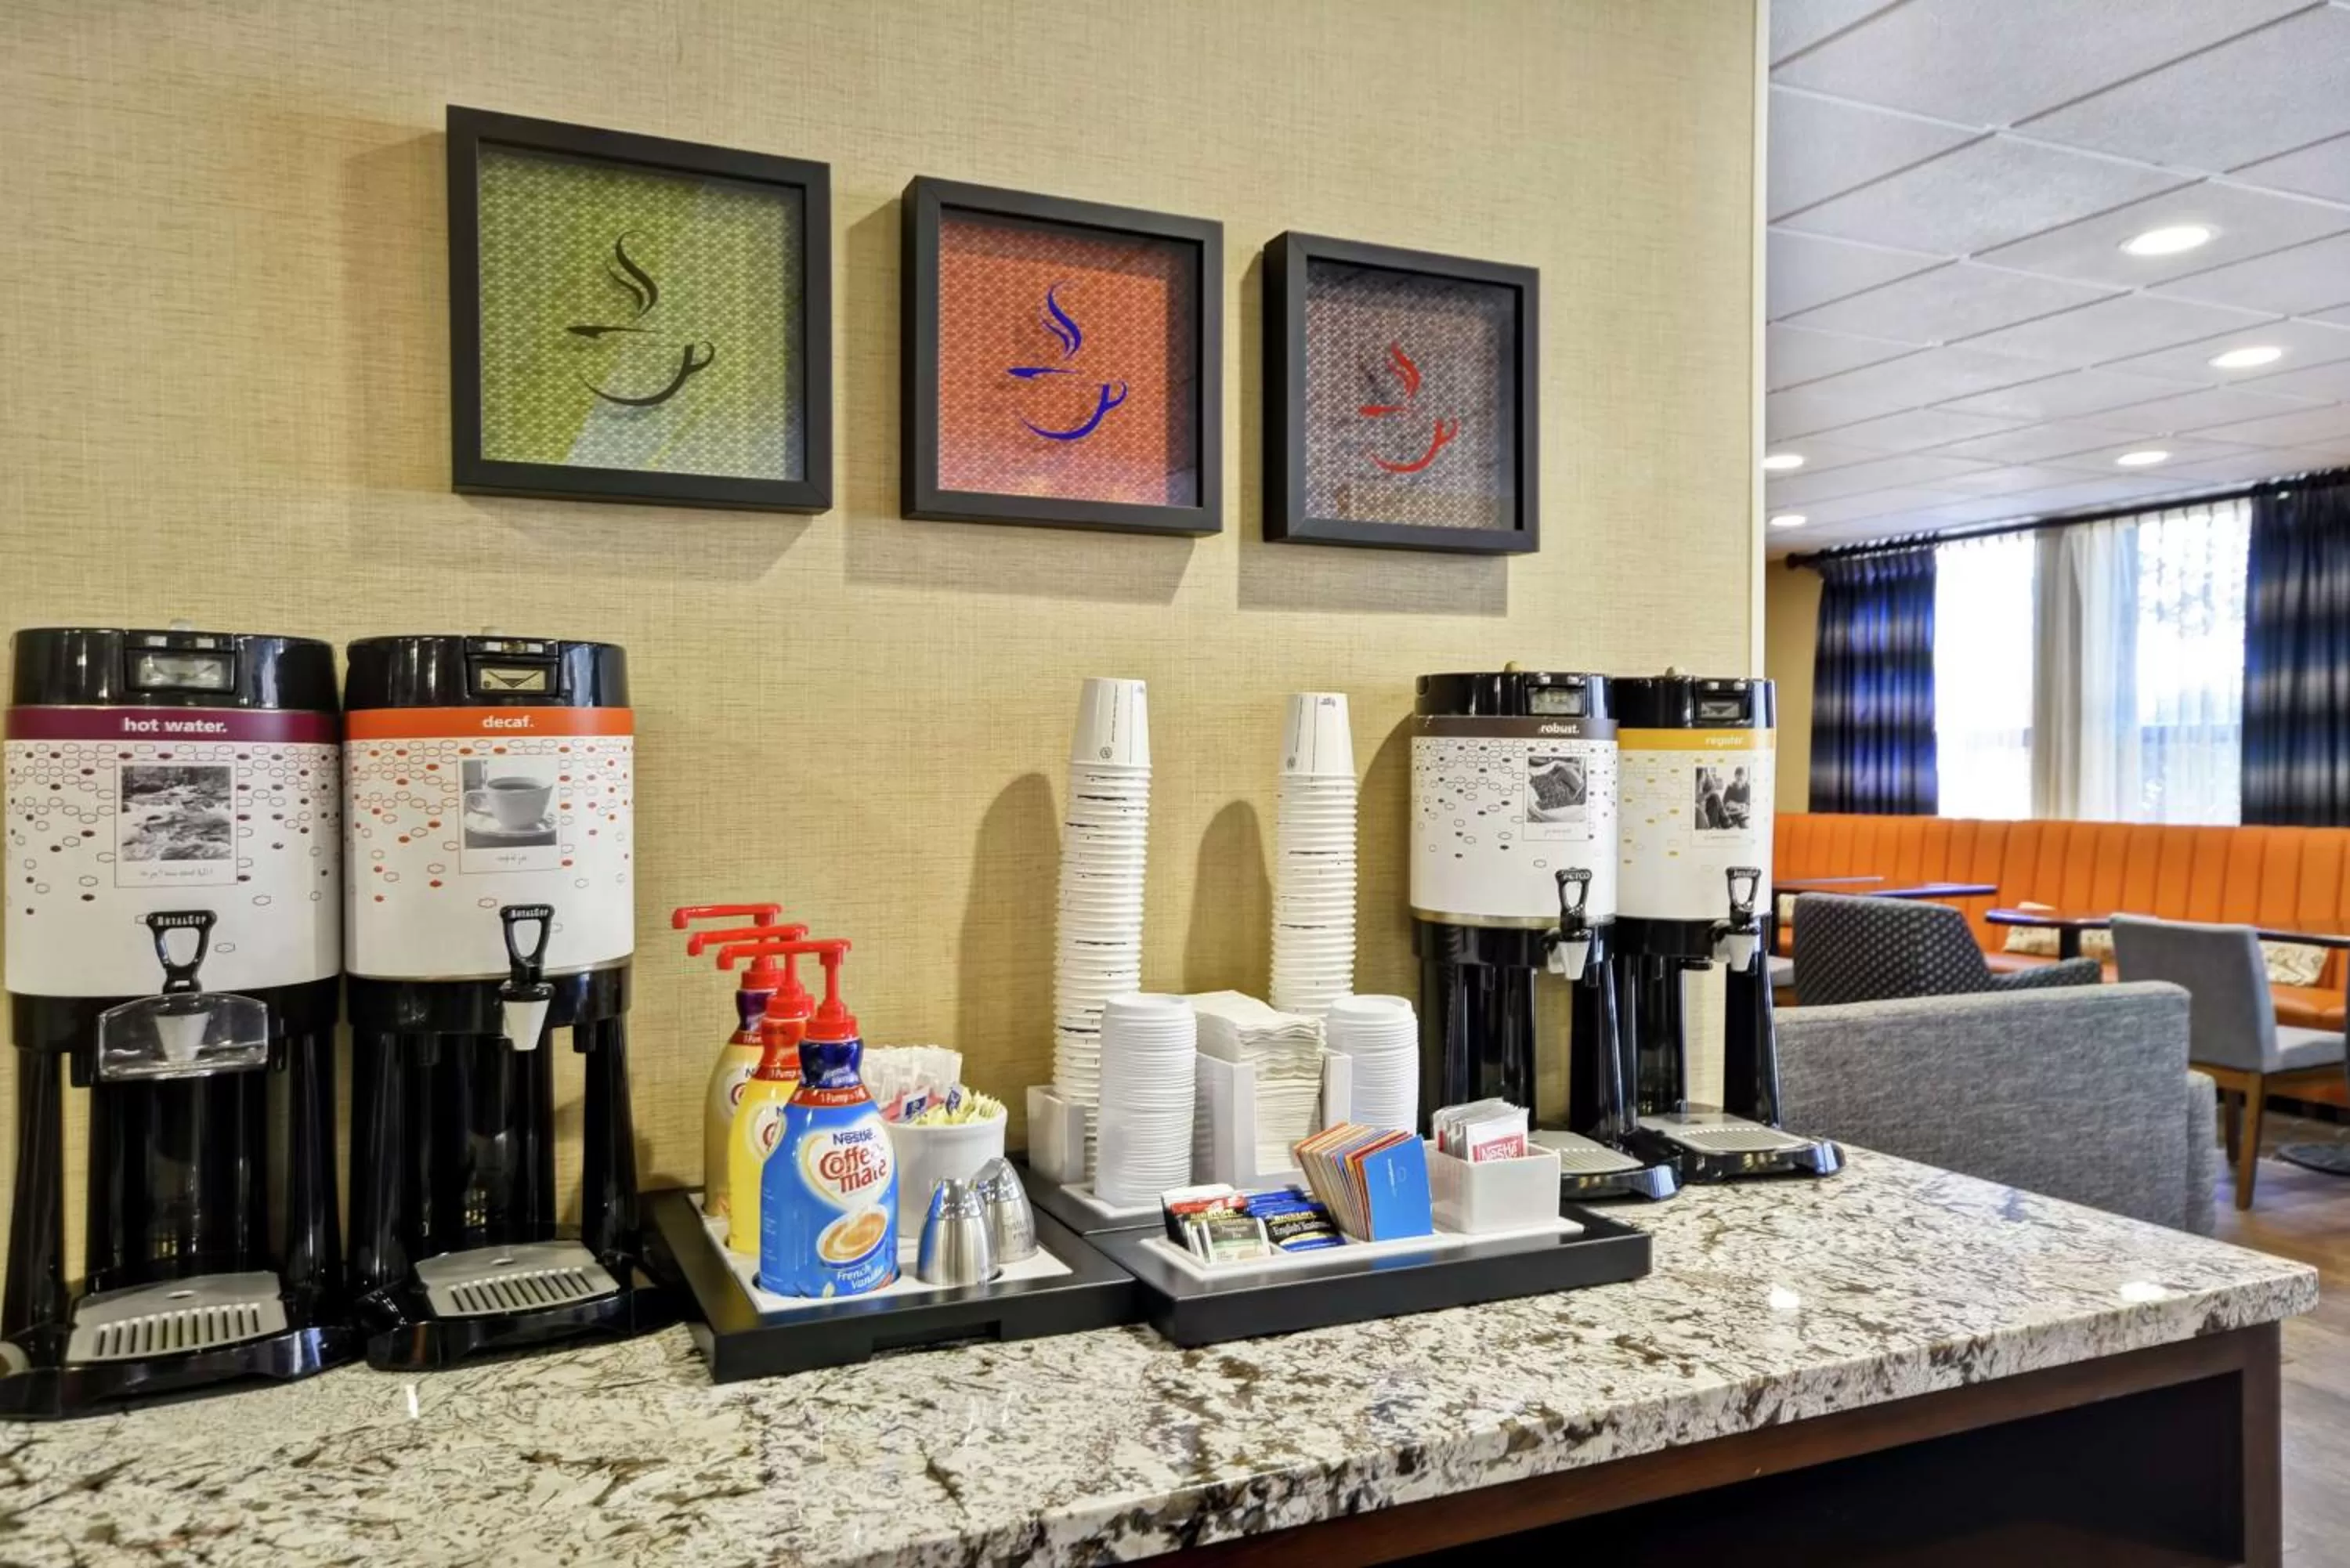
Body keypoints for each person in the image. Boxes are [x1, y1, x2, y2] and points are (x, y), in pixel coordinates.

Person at [1723, 765, 1751, 829]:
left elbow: (1749, 803)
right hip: (1732, 814)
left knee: (1745, 825)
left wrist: (1743, 805)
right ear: (1735, 776)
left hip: (1744, 814)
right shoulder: (1730, 787)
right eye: (1738, 778)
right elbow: (1724, 802)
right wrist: (1733, 805)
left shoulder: (1747, 788)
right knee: (1727, 825)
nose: (1739, 780)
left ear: (1744, 777)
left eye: (1741, 778)